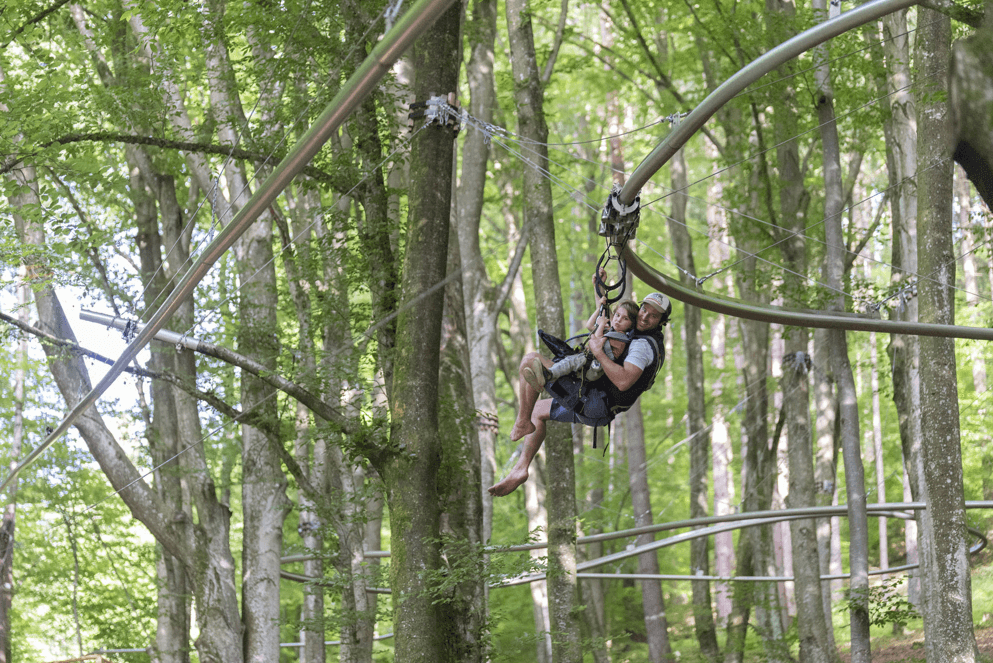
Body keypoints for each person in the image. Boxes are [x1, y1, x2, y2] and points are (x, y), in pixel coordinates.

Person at [491, 289, 671, 497]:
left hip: (595, 403)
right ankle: (521, 468)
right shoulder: (643, 336)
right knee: (537, 410)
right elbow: (611, 318)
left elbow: (623, 382)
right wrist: (600, 294)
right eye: (644, 310)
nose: (645, 316)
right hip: (600, 406)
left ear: (661, 321)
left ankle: (522, 421)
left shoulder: (642, 346)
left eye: (653, 315)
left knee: (531, 361)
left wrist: (597, 352)